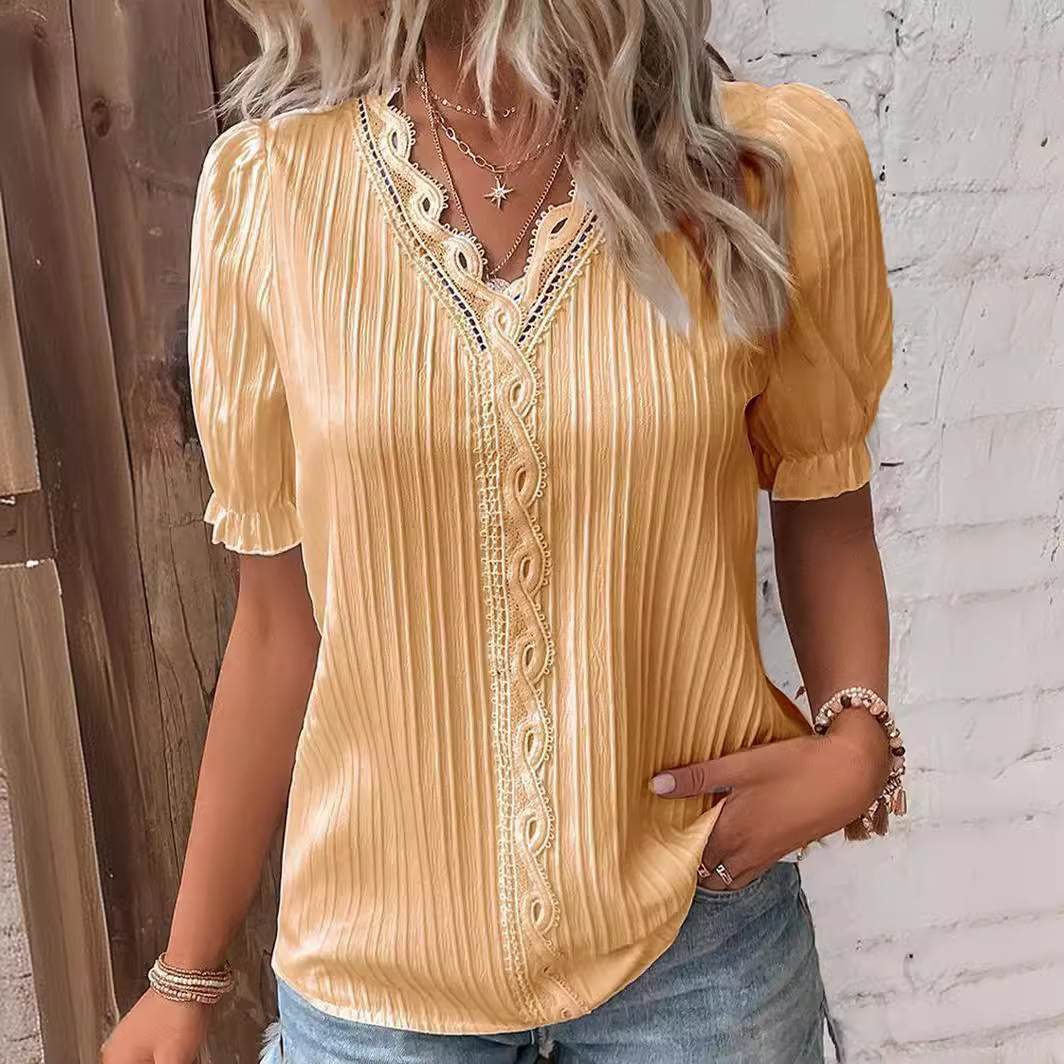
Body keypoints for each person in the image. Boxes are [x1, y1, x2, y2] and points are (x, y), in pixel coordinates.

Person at [102, 1, 904, 1061]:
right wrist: (185, 976)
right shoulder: (273, 195)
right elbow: (275, 626)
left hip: (699, 954)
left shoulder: (754, 168)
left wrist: (856, 744)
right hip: (377, 988)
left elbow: (823, 501)